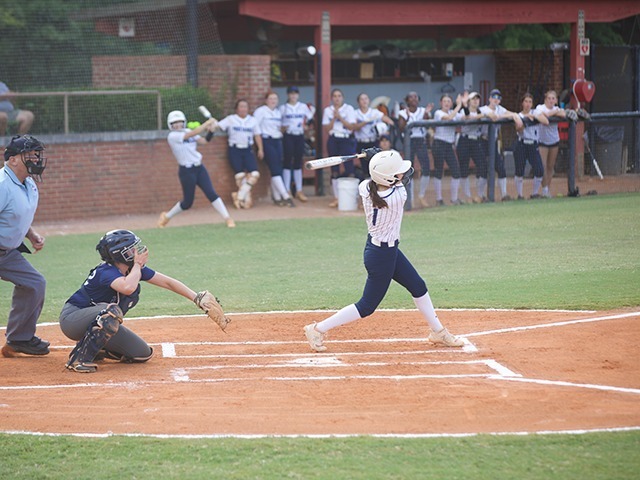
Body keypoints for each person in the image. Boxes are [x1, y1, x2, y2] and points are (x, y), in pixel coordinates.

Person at [303, 150, 464, 352]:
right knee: (367, 306)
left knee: (417, 286)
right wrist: (375, 157)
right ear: (386, 178)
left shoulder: (365, 188)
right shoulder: (398, 196)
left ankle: (438, 332)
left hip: (382, 250)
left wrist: (374, 160)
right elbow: (387, 179)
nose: (401, 176)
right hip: (382, 257)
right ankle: (317, 329)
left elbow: (372, 177)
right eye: (397, 174)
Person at [59, 229, 223, 373]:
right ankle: (78, 359)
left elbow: (168, 282)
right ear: (119, 254)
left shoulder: (133, 270)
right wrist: (137, 265)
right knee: (111, 311)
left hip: (97, 318)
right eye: (130, 250)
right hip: (73, 319)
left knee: (142, 353)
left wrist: (195, 297)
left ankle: (98, 348)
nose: (135, 252)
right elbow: (127, 287)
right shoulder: (106, 271)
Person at [0, 135, 49, 357]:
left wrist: (31, 235)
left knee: (34, 284)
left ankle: (19, 339)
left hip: (7, 253)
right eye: (29, 154)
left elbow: (17, 216)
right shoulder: (2, 185)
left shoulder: (28, 183)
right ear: (12, 160)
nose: (35, 158)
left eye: (36, 154)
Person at [158, 110, 235, 228]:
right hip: (186, 171)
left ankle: (228, 219)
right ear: (170, 125)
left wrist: (211, 131)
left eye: (180, 122)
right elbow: (193, 133)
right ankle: (167, 216)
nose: (178, 125)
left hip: (199, 168)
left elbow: (204, 141)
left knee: (211, 193)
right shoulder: (172, 136)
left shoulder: (188, 131)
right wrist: (207, 123)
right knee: (187, 203)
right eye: (175, 123)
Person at [214, 99, 263, 209]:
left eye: (245, 106)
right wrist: (211, 124)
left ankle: (239, 196)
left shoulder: (252, 120)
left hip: (248, 149)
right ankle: (245, 201)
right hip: (234, 149)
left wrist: (260, 149)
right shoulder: (231, 119)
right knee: (240, 176)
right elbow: (218, 125)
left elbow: (257, 135)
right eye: (241, 106)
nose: (243, 109)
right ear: (237, 109)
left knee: (254, 174)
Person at [479, 88, 523, 202]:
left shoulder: (500, 109)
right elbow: (493, 117)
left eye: (498, 98)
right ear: (489, 98)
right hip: (482, 141)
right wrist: (506, 115)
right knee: (483, 169)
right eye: (493, 97)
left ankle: (504, 195)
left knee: (501, 168)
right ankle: (481, 196)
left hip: (493, 142)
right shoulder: (483, 108)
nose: (496, 100)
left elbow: (510, 113)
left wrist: (514, 116)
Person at [253, 91, 294, 207]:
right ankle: (285, 195)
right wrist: (260, 148)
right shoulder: (260, 111)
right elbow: (256, 130)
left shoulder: (277, 112)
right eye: (271, 99)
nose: (273, 101)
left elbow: (277, 129)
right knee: (274, 168)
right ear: (266, 100)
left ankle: (276, 197)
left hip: (277, 140)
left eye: (275, 99)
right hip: (267, 140)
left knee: (278, 168)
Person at [397, 91, 433, 207]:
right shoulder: (402, 112)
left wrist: (427, 114)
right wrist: (407, 117)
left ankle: (421, 195)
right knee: (409, 169)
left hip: (421, 141)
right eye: (411, 97)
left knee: (426, 167)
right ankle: (409, 199)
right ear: (407, 100)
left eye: (415, 97)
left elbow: (428, 125)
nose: (413, 99)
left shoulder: (423, 111)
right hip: (409, 141)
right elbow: (401, 128)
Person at [322, 88, 357, 207]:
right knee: (334, 169)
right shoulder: (328, 110)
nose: (337, 99)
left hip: (346, 138)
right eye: (335, 96)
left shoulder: (349, 109)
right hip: (334, 138)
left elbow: (351, 126)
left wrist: (340, 117)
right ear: (332, 98)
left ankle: (352, 197)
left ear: (342, 97)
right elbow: (327, 129)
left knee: (349, 167)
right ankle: (336, 197)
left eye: (339, 96)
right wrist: (333, 117)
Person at [280, 86, 313, 202]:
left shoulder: (303, 107)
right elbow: (279, 124)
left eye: (295, 93)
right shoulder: (283, 108)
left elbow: (310, 119)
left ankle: (299, 190)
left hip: (299, 135)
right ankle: (287, 190)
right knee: (287, 162)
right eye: (291, 93)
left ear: (298, 95)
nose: (293, 96)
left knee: (298, 162)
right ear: (288, 95)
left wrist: (307, 126)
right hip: (288, 136)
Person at [514, 93, 549, 199]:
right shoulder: (519, 115)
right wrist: (526, 120)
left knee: (539, 169)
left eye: (530, 102)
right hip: (522, 143)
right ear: (522, 103)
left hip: (533, 144)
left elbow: (546, 121)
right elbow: (518, 129)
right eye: (526, 101)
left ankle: (534, 193)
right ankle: (520, 194)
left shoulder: (535, 112)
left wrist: (533, 117)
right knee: (520, 170)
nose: (528, 104)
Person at [432, 93, 464, 206]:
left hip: (449, 145)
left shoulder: (453, 112)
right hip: (439, 144)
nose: (446, 103)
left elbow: (466, 117)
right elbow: (449, 118)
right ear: (441, 103)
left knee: (456, 171)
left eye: (449, 101)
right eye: (444, 101)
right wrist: (459, 105)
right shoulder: (438, 112)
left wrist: (464, 104)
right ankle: (439, 199)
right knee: (438, 171)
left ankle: (454, 199)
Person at [352, 93, 394, 177]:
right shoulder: (355, 113)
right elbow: (354, 127)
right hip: (361, 142)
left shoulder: (374, 112)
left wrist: (386, 129)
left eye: (366, 99)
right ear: (358, 102)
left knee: (374, 166)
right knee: (364, 167)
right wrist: (365, 122)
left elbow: (389, 121)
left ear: (369, 100)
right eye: (362, 99)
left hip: (373, 142)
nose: (364, 101)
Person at [537, 90, 568, 198]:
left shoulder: (557, 108)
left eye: (553, 98)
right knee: (543, 166)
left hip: (554, 140)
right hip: (542, 141)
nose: (551, 100)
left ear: (556, 100)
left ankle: (547, 190)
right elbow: (543, 115)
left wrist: (554, 112)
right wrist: (554, 112)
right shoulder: (540, 107)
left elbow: (563, 114)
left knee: (550, 166)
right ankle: (544, 189)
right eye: (549, 98)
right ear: (545, 99)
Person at [458, 91, 488, 203]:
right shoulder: (463, 110)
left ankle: (480, 195)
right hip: (464, 140)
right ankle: (467, 196)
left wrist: (483, 114)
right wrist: (464, 106)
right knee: (464, 168)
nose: (475, 101)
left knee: (483, 166)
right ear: (469, 101)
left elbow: (491, 114)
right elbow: (468, 117)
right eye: (473, 99)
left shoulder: (481, 110)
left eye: (477, 99)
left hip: (476, 141)